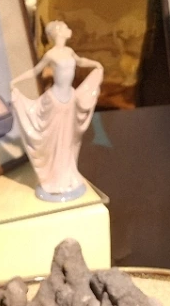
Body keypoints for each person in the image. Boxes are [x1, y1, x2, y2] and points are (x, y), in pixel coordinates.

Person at [10, 20, 103, 201]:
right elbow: (35, 71)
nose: (69, 30)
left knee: (68, 139)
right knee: (53, 139)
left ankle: (68, 176)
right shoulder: (51, 55)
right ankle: (54, 179)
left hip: (70, 99)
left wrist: (96, 64)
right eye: (66, 28)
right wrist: (16, 81)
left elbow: (80, 61)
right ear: (58, 32)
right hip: (54, 101)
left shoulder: (69, 51)